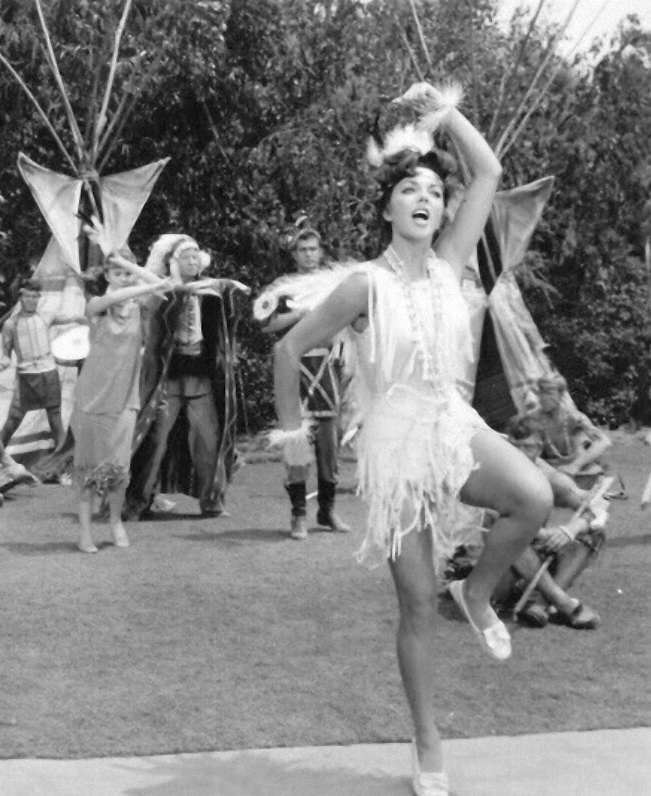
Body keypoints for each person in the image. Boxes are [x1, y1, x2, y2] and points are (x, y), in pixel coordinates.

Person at [271, 83, 551, 795]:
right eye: (409, 190)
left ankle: (478, 594)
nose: (424, 199)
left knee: (532, 496)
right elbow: (288, 349)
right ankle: (428, 745)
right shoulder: (363, 286)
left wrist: (442, 112)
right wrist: (294, 434)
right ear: (386, 208)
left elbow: (487, 172)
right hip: (394, 448)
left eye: (432, 191)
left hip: (450, 425)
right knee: (417, 603)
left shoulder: (451, 261)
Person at [126, 235, 245, 519]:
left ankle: (212, 501)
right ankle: (137, 501)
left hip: (201, 377)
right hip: (168, 378)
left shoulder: (212, 290)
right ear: (174, 263)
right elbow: (158, 307)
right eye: (186, 257)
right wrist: (176, 282)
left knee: (208, 439)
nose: (193, 261)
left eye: (195, 257)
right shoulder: (163, 289)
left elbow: (235, 296)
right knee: (155, 440)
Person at [72, 250, 171, 553]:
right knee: (88, 469)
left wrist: (129, 265)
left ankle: (116, 522)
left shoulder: (140, 308)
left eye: (128, 273)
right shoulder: (96, 305)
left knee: (118, 469)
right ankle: (85, 532)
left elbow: (164, 288)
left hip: (125, 398)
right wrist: (143, 285)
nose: (125, 278)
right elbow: (120, 296)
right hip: (92, 399)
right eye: (117, 273)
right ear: (106, 275)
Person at [260, 226, 352, 538]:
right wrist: (301, 315)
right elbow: (266, 324)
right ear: (294, 254)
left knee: (329, 444)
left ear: (321, 251)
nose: (309, 255)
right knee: (295, 441)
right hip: (293, 367)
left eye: (313, 249)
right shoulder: (283, 288)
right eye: (303, 250)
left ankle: (327, 510)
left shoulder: (334, 284)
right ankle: (298, 514)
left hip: (326, 364)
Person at [504, 419, 605, 629]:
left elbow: (594, 509)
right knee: (511, 535)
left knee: (592, 534)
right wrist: (541, 534)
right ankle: (560, 601)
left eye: (528, 447)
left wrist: (570, 530)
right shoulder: (495, 473)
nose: (521, 453)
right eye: (515, 446)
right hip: (498, 554)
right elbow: (496, 519)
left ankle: (541, 603)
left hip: (534, 549)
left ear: (540, 448)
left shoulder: (552, 478)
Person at [0, 279, 70, 451]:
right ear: (21, 297)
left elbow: (70, 318)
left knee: (54, 415)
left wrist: (84, 319)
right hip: (27, 375)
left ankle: (60, 456)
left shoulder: (46, 316)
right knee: (14, 419)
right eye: (28, 296)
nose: (31, 300)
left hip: (49, 372)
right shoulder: (11, 324)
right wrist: (4, 360)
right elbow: (5, 354)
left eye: (35, 296)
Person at [525, 373, 612, 481]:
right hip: (548, 473)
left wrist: (575, 465)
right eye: (541, 392)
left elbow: (604, 441)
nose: (543, 398)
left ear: (561, 394)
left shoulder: (574, 418)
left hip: (578, 471)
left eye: (549, 393)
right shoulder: (533, 419)